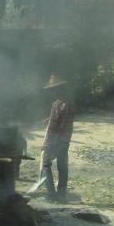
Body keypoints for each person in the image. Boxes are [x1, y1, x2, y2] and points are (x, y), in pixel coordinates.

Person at [41, 73, 75, 202]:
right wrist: (49, 119)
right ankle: (62, 195)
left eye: (53, 89)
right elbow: (62, 121)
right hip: (65, 139)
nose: (52, 91)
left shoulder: (56, 104)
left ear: (58, 89)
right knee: (62, 166)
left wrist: (47, 144)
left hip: (56, 140)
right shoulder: (69, 103)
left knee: (45, 164)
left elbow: (53, 128)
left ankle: (51, 195)